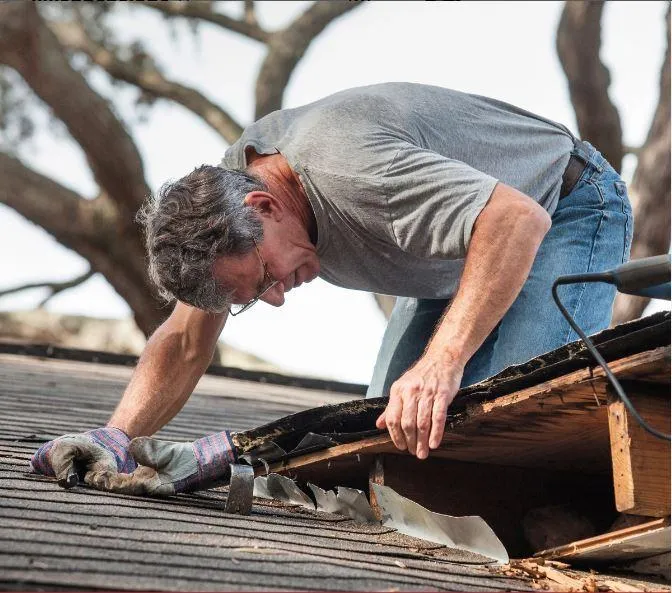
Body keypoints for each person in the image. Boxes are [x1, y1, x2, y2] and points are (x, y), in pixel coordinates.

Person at [30, 83, 632, 496]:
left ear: (264, 205)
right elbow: (187, 341)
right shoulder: (221, 212)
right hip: (452, 255)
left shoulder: (350, 169)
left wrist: (443, 362)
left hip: (564, 206)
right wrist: (116, 438)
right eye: (249, 297)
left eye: (264, 277)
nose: (275, 297)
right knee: (391, 445)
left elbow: (514, 220)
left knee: (522, 423)